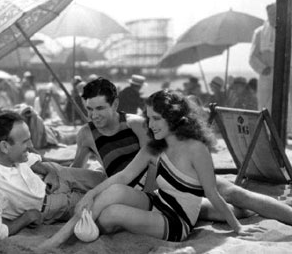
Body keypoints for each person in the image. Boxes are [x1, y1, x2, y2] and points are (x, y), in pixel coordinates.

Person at [40, 90, 264, 249]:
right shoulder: (156, 145)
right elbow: (125, 175)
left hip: (177, 221)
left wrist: (238, 229)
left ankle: (69, 235)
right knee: (114, 192)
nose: (151, 124)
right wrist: (90, 194)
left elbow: (213, 194)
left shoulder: (196, 150)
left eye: (157, 118)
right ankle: (60, 238)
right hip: (157, 202)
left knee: (111, 213)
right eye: (148, 117)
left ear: (175, 118)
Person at [0, 111, 106, 240]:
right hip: (51, 206)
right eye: (25, 142)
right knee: (107, 203)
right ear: (5, 146)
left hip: (56, 175)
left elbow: (30, 158)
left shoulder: (4, 155)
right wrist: (26, 218)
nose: (31, 145)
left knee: (105, 181)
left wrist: (50, 172)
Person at [71, 77, 151, 188]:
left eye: (100, 108)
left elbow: (153, 164)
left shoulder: (137, 125)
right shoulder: (86, 134)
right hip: (116, 189)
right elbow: (76, 169)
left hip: (146, 189)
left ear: (115, 104)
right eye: (89, 109)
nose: (94, 115)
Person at [249, 3, 276, 113]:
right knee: (265, 107)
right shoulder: (260, 32)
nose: (273, 16)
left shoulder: (288, 31)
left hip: (287, 74)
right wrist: (263, 68)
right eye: (270, 14)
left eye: (275, 13)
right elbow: (252, 57)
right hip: (267, 74)